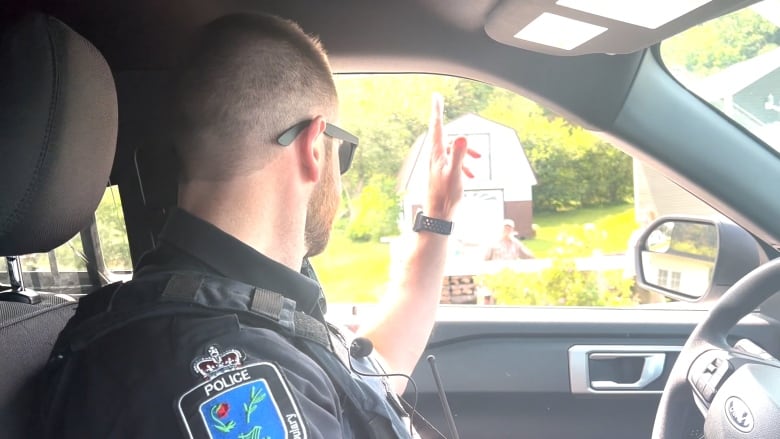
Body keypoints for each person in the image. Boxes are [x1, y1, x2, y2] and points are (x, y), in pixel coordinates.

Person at [37, 13, 476, 439]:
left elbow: (370, 377)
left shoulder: (242, 312)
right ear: (314, 148)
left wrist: (437, 220)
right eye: (340, 151)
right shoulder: (225, 371)